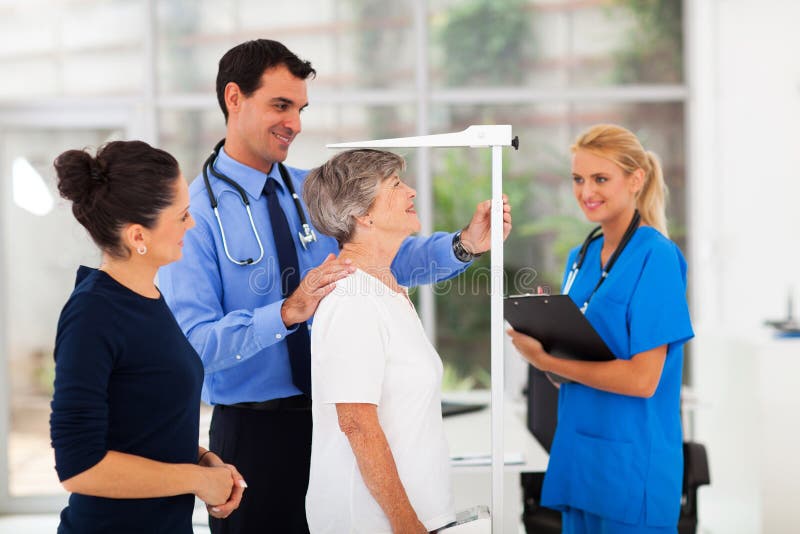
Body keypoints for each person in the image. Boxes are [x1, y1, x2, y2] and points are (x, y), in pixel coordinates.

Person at [157, 39, 507, 534]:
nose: (295, 123)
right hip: (256, 434)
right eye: (280, 105)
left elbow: (387, 257)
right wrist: (285, 311)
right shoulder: (195, 216)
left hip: (339, 423)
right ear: (234, 98)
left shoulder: (315, 190)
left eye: (300, 108)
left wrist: (465, 245)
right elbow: (193, 347)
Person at [303, 149, 510, 533]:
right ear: (362, 214)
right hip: (374, 523)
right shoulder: (353, 300)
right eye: (396, 185)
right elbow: (356, 424)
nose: (411, 191)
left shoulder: (387, 290)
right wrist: (406, 523)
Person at [49, 140, 245, 534]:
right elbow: (79, 466)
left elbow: (138, 425)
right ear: (138, 235)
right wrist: (194, 479)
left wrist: (204, 460)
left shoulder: (149, 297)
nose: (191, 225)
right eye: (183, 215)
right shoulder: (93, 313)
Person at [507, 124, 694, 533]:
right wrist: (545, 353)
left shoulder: (657, 257)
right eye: (578, 179)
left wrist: (545, 359)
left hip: (632, 466)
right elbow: (570, 369)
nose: (586, 191)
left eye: (600, 178)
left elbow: (644, 380)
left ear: (636, 180)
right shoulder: (581, 255)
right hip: (580, 457)